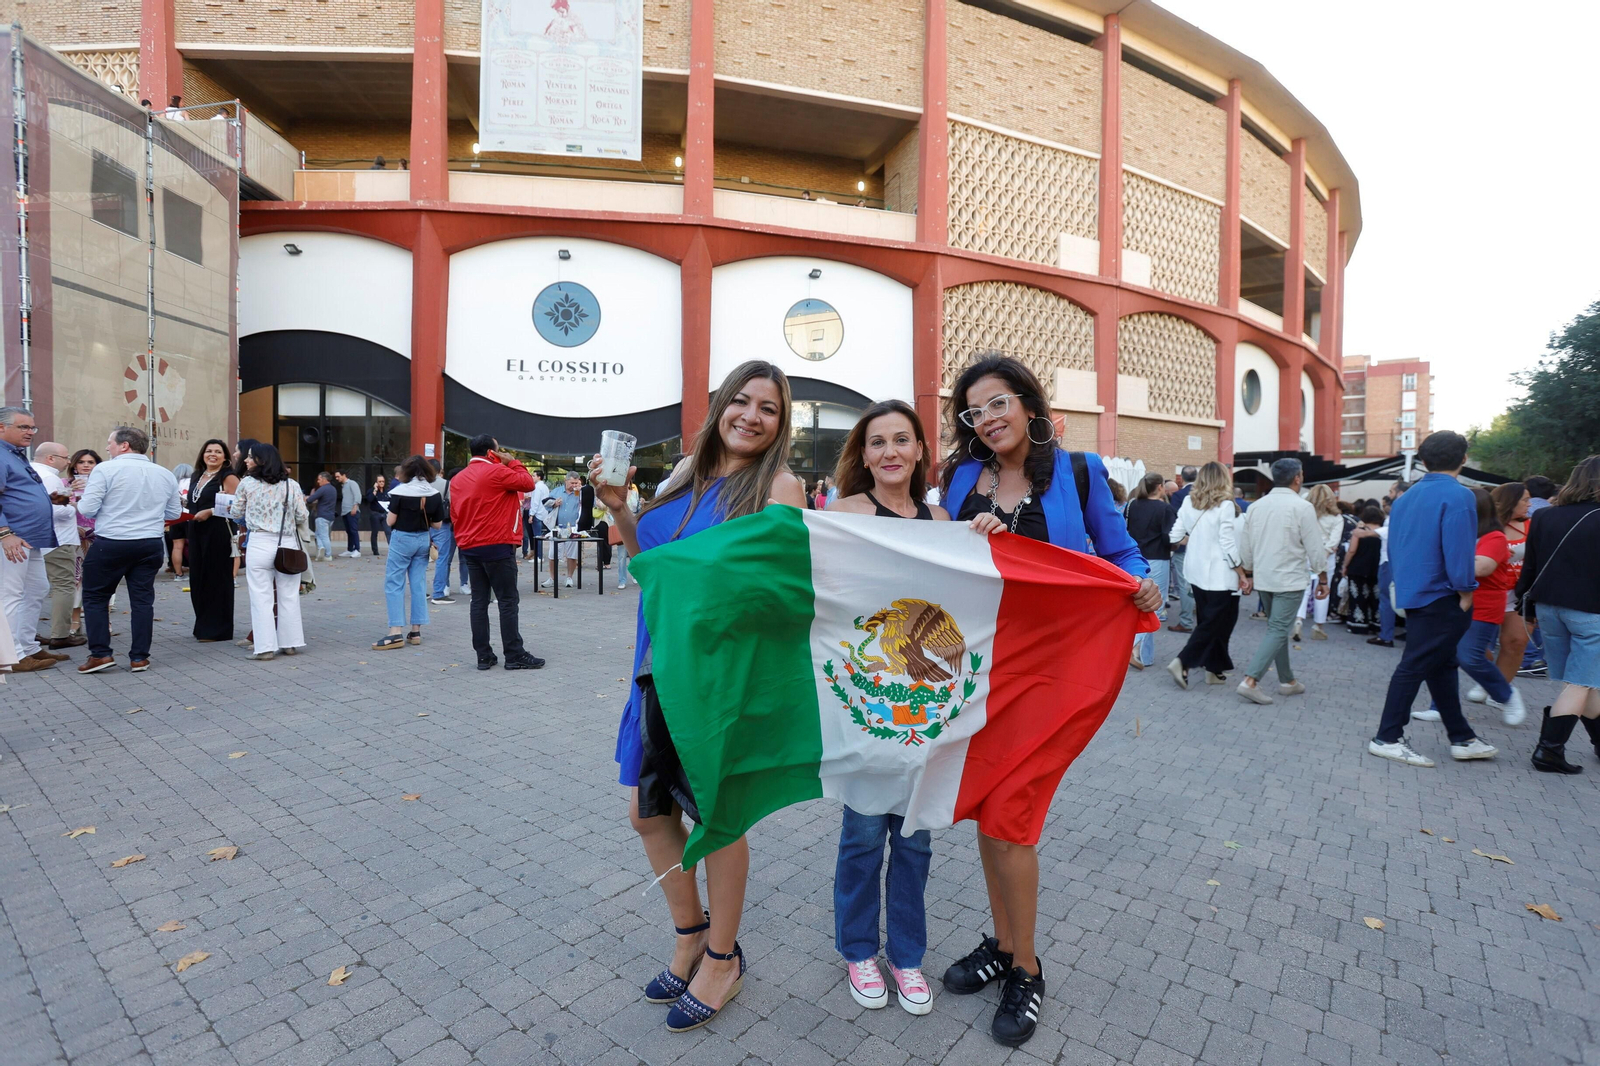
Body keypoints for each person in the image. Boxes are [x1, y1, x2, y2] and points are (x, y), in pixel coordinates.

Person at [938, 355, 1158, 1047]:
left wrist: (1143, 583)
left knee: (1013, 815)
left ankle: (1026, 967)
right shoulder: (960, 479)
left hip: (1053, 672)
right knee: (986, 808)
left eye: (998, 402)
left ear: (1029, 404)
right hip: (978, 671)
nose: (989, 418)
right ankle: (1003, 946)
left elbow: (1122, 553)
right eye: (975, 411)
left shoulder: (1080, 471)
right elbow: (936, 556)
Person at [595, 359, 809, 1034]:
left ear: (781, 423)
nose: (751, 415)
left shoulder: (778, 486)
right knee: (647, 815)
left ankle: (723, 956)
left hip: (719, 680)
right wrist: (621, 509)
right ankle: (689, 931)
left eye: (767, 408)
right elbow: (648, 563)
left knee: (719, 817)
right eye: (741, 401)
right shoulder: (687, 476)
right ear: (720, 406)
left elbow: (777, 591)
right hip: (656, 665)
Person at [819, 399, 947, 1015]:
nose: (890, 451)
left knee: (917, 840)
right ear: (862, 454)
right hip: (864, 700)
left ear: (921, 450)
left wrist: (980, 540)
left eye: (902, 440)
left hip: (925, 703)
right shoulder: (841, 513)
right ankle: (858, 950)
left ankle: (908, 955)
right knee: (864, 835)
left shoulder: (940, 517)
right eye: (877, 442)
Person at [1366, 431, 1499, 767]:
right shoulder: (1459, 496)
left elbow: (1396, 547)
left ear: (1423, 460)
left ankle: (1462, 737)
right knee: (1416, 664)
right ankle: (1388, 736)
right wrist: (1466, 590)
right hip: (1444, 593)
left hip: (1415, 590)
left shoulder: (1404, 498)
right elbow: (1458, 549)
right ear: (1464, 458)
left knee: (1440, 663)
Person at [1410, 487, 1528, 729]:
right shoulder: (1460, 535)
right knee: (1444, 657)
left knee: (1470, 657)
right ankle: (1440, 707)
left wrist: (1439, 558)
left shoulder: (1494, 537)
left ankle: (1506, 694)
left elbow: (1481, 568)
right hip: (1454, 604)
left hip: (1483, 606)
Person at [1515, 456, 1600, 773]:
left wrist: (1525, 607)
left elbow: (1531, 567)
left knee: (1584, 682)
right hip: (1592, 612)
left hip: (1549, 609)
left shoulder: (1545, 517)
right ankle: (1548, 752)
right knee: (1581, 683)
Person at [75, 425, 182, 674]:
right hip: (150, 543)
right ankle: (139, 658)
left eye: (110, 443)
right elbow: (174, 513)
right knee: (143, 600)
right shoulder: (164, 473)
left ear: (124, 445)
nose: (106, 447)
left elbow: (88, 509)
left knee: (95, 597)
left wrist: (81, 502)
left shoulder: (105, 469)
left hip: (112, 541)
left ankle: (101, 654)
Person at [1235, 458, 1328, 705]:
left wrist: (1249, 573)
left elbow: (1246, 545)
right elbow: (1315, 548)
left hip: (1265, 576)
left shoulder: (1257, 506)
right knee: (1278, 629)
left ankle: (1287, 680)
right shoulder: (1302, 507)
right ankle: (1250, 681)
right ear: (1297, 477)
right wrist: (1323, 577)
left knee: (1276, 629)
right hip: (1290, 578)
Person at [449, 436, 543, 670]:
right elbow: (527, 483)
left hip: (470, 546)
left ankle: (484, 656)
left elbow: (455, 513)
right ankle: (514, 654)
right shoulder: (497, 472)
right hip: (497, 545)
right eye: (500, 450)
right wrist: (513, 461)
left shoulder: (458, 479)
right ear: (492, 453)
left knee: (478, 601)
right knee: (507, 600)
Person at [1167, 461, 1248, 688]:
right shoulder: (1225, 505)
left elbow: (1174, 536)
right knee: (1214, 623)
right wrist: (1241, 572)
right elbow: (1227, 543)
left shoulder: (1188, 501)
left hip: (1195, 571)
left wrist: (1193, 539)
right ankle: (1183, 661)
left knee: (1209, 620)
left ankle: (1214, 669)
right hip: (1221, 574)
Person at [230, 443, 308, 661]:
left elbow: (236, 512)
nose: (246, 460)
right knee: (289, 594)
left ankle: (264, 648)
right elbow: (302, 516)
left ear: (261, 461)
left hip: (259, 541)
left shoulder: (247, 483)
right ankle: (290, 643)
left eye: (251, 457)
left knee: (261, 596)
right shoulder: (291, 485)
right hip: (287, 543)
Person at [0, 407, 61, 673]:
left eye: (32, 428)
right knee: (11, 595)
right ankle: (9, 656)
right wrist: (5, 533)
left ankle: (27, 647)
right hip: (13, 538)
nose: (30, 433)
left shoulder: (14, 455)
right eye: (23, 427)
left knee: (37, 589)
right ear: (2, 427)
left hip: (30, 537)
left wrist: (49, 501)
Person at [372, 456, 443, 651]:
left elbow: (390, 522)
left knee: (394, 582)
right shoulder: (434, 493)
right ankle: (416, 631)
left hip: (402, 539)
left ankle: (395, 631)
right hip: (423, 540)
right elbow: (437, 524)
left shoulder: (399, 492)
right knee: (418, 582)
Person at [30, 441, 84, 652]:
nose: (69, 461)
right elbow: (54, 510)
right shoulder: (51, 477)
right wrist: (74, 506)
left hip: (39, 540)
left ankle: (27, 634)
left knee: (33, 589)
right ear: (51, 458)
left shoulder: (31, 471)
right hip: (59, 539)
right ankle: (60, 635)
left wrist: (68, 491)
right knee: (64, 586)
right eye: (65, 457)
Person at [184, 439, 239, 643]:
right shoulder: (197, 475)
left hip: (218, 531)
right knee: (198, 578)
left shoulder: (228, 476)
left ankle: (219, 629)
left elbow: (238, 505)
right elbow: (194, 500)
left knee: (216, 578)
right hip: (196, 530)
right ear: (203, 454)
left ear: (225, 456)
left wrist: (211, 511)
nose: (212, 454)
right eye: (209, 451)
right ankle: (203, 625)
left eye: (218, 451)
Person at [1124, 472, 1175, 669]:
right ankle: (1135, 647)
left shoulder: (1132, 505)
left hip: (1133, 559)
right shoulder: (1165, 509)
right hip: (1157, 557)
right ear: (1161, 487)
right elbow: (1167, 537)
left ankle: (1146, 655)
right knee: (1153, 604)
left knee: (1139, 604)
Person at [1489, 482, 1532, 682]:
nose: (1529, 504)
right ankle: (1488, 679)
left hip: (1519, 593)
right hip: (1488, 590)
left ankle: (1500, 690)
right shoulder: (1486, 525)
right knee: (1472, 644)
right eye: (1525, 500)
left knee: (1515, 642)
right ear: (1510, 501)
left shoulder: (1532, 525)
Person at [1292, 485, 1342, 642]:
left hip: (1305, 554)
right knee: (1323, 590)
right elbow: (1334, 541)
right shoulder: (1336, 518)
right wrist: (1324, 555)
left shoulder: (1304, 514)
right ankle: (1318, 626)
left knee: (1304, 588)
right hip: (1326, 556)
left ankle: (1298, 620)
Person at [66, 449, 102, 639]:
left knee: (99, 579)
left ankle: (103, 620)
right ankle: (75, 620)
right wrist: (70, 493)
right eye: (81, 462)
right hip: (75, 536)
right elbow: (58, 507)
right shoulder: (65, 484)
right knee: (76, 579)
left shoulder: (103, 484)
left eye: (91, 462)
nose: (86, 465)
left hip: (99, 536)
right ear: (74, 465)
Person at [543, 472, 591, 589]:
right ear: (566, 481)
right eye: (572, 483)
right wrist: (555, 503)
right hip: (558, 526)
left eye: (576, 483)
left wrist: (582, 494)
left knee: (572, 554)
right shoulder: (557, 491)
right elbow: (545, 504)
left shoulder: (580, 492)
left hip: (573, 526)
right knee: (553, 554)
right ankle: (552, 578)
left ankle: (569, 577)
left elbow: (590, 504)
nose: (574, 485)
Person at [428, 459, 466, 604]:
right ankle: (438, 592)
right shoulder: (446, 484)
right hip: (441, 524)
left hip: (420, 524)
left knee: (419, 559)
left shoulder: (420, 485)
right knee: (442, 558)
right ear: (439, 470)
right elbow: (454, 504)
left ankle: (419, 591)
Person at [167, 462, 193, 580]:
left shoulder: (172, 483)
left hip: (176, 517)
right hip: (190, 516)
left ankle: (178, 574)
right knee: (194, 545)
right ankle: (196, 572)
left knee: (177, 546)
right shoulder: (192, 482)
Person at [614, 482, 641, 589]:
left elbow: (638, 510)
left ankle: (636, 575)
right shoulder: (616, 495)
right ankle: (622, 580)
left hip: (633, 525)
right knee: (621, 556)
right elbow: (613, 511)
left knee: (634, 553)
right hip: (621, 527)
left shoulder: (634, 494)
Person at [305, 472, 337, 561]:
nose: (318, 482)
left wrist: (304, 498)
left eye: (319, 479)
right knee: (319, 534)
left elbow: (311, 499)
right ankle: (321, 548)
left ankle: (327, 555)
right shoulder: (333, 489)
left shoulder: (322, 489)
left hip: (322, 516)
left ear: (324, 479)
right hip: (331, 516)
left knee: (323, 536)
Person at [522, 470, 550, 562]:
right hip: (543, 513)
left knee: (537, 536)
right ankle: (539, 555)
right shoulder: (545, 487)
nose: (532, 477)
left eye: (534, 476)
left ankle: (539, 556)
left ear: (539, 477)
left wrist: (531, 515)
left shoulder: (537, 488)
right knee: (539, 536)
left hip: (537, 513)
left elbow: (535, 502)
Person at [333, 470, 362, 557]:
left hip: (352, 510)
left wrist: (355, 507)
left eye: (338, 476)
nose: (337, 478)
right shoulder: (343, 486)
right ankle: (350, 549)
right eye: (336, 477)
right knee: (349, 531)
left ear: (344, 475)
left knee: (353, 530)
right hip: (345, 512)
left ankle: (357, 549)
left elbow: (358, 495)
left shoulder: (352, 483)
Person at [365, 474, 392, 557]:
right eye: (379, 481)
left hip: (385, 514)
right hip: (375, 514)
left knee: (388, 531)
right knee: (375, 532)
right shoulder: (371, 491)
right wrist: (375, 490)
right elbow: (369, 499)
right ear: (376, 482)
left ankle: (391, 549)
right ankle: (375, 550)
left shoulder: (386, 492)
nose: (381, 483)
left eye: (383, 481)